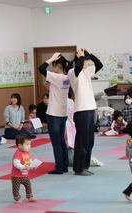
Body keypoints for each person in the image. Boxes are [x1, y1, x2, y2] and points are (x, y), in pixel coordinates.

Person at [68, 48, 103, 176]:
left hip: (90, 108)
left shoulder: (87, 72)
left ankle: (85, 165)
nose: (88, 63)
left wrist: (90, 55)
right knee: (81, 140)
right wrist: (82, 57)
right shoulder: (72, 72)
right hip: (81, 109)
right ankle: (78, 168)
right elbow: (77, 68)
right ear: (80, 61)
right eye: (86, 61)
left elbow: (99, 64)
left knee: (89, 141)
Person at [38, 52, 71, 174]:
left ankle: (59, 168)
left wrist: (51, 58)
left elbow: (41, 68)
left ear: (57, 65)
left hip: (54, 113)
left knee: (56, 143)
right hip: (62, 113)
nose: (52, 67)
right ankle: (64, 166)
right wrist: (49, 88)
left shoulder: (56, 77)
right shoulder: (67, 77)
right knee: (62, 141)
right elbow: (58, 91)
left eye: (53, 65)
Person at [11, 134, 38, 204]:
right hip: (16, 176)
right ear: (20, 145)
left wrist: (33, 166)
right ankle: (17, 198)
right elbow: (16, 163)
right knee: (16, 188)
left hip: (25, 175)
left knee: (28, 185)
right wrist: (23, 167)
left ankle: (30, 197)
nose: (29, 146)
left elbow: (29, 160)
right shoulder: (18, 153)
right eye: (27, 144)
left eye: (30, 144)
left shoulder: (27, 153)